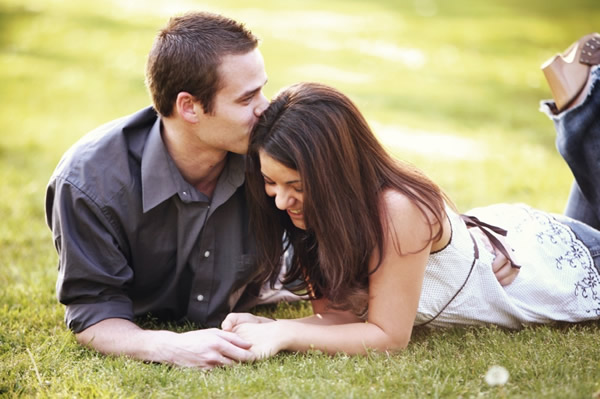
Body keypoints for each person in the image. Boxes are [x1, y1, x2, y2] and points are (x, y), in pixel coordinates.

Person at [221, 34, 600, 360]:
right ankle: (582, 108)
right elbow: (340, 318)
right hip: (502, 244)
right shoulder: (317, 216)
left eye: (298, 186)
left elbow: (387, 336)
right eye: (272, 183)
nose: (280, 202)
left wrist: (285, 334)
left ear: (335, 174)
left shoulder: (398, 211)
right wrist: (270, 327)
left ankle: (584, 107)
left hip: (558, 264)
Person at [45, 11, 277, 369]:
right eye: (247, 99)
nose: (267, 108)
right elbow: (93, 310)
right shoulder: (87, 183)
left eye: (263, 89)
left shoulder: (274, 154)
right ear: (189, 107)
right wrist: (167, 346)